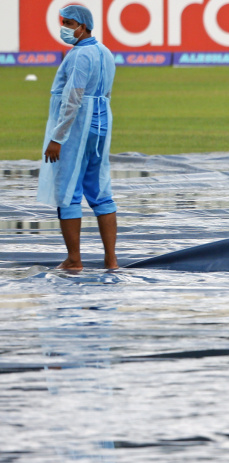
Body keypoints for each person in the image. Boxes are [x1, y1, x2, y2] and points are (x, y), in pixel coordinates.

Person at [38, 5, 118, 270]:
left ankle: (74, 259)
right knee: (101, 191)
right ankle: (111, 260)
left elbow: (73, 98)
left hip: (77, 128)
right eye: (65, 22)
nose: (66, 28)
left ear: (84, 27)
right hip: (101, 124)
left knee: (68, 192)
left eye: (70, 23)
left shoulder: (79, 55)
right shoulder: (105, 52)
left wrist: (57, 137)